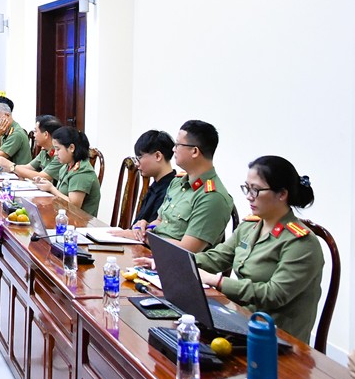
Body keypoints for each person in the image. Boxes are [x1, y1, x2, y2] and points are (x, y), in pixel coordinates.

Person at [135, 156, 323, 343]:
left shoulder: (301, 243)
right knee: (168, 332)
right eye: (247, 188)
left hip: (274, 338)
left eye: (256, 190)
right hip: (240, 319)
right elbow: (218, 257)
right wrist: (171, 262)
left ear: (282, 194)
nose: (249, 196)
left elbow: (273, 294)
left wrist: (216, 280)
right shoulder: (250, 227)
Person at [137, 120, 232, 252]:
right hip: (152, 252)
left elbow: (186, 250)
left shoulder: (212, 197)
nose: (173, 149)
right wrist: (145, 227)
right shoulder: (177, 183)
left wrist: (147, 238)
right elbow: (160, 221)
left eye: (178, 145)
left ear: (194, 151)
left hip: (173, 261)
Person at [32, 126, 102, 217]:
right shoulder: (66, 166)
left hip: (79, 222)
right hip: (63, 216)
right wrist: (45, 184)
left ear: (71, 148)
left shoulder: (82, 172)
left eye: (58, 149)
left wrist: (52, 189)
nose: (55, 153)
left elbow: (74, 207)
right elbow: (61, 194)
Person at [128, 130, 177, 226]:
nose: (137, 164)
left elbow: (151, 230)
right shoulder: (156, 185)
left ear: (158, 156)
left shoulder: (171, 190)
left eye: (139, 157)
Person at [0, 115, 62, 182]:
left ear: (45, 134)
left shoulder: (59, 154)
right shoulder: (45, 150)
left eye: (36, 131)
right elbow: (28, 167)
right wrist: (6, 167)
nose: (34, 135)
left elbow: (42, 176)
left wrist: (11, 166)